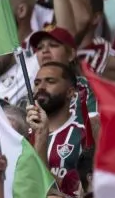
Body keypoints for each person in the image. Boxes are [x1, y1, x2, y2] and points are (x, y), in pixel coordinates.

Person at [29, 62, 90, 191]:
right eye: (36, 83)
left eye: (50, 81)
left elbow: (77, 191)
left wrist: (41, 138)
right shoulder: (23, 133)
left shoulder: (84, 134)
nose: (41, 87)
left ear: (70, 92)